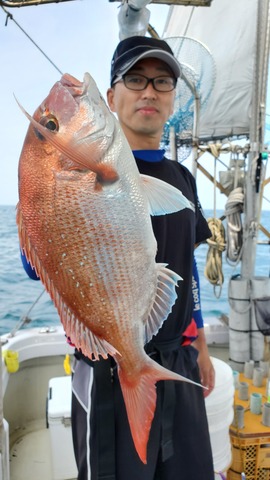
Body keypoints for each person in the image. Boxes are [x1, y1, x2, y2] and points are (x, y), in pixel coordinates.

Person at [70, 36, 215, 480]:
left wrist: (202, 347)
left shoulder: (182, 179)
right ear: (111, 98)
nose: (149, 91)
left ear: (173, 99)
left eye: (162, 81)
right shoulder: (80, 172)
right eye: (135, 79)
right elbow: (38, 264)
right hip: (109, 368)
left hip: (177, 360)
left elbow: (186, 265)